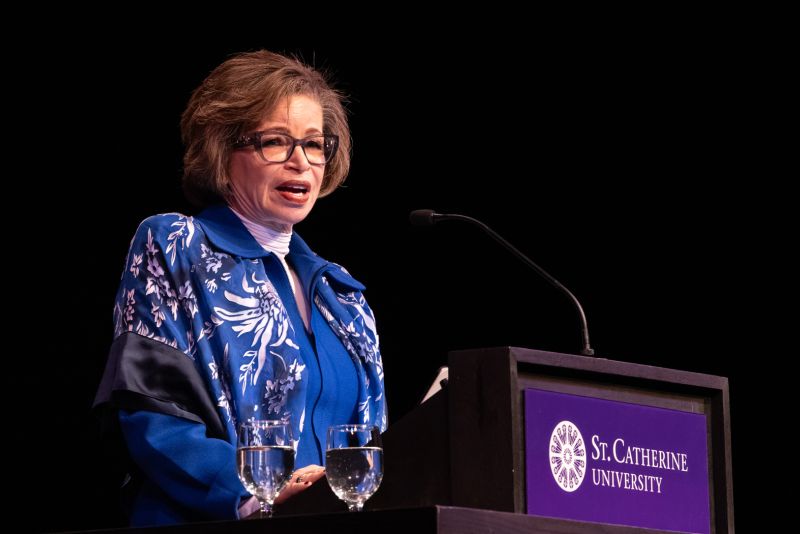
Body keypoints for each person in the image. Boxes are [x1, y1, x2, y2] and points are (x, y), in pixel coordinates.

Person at [94, 50, 387, 527]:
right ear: (221, 149)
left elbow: (371, 445)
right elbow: (152, 415)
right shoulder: (176, 245)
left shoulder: (343, 295)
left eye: (315, 145)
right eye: (275, 142)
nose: (301, 162)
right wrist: (257, 495)